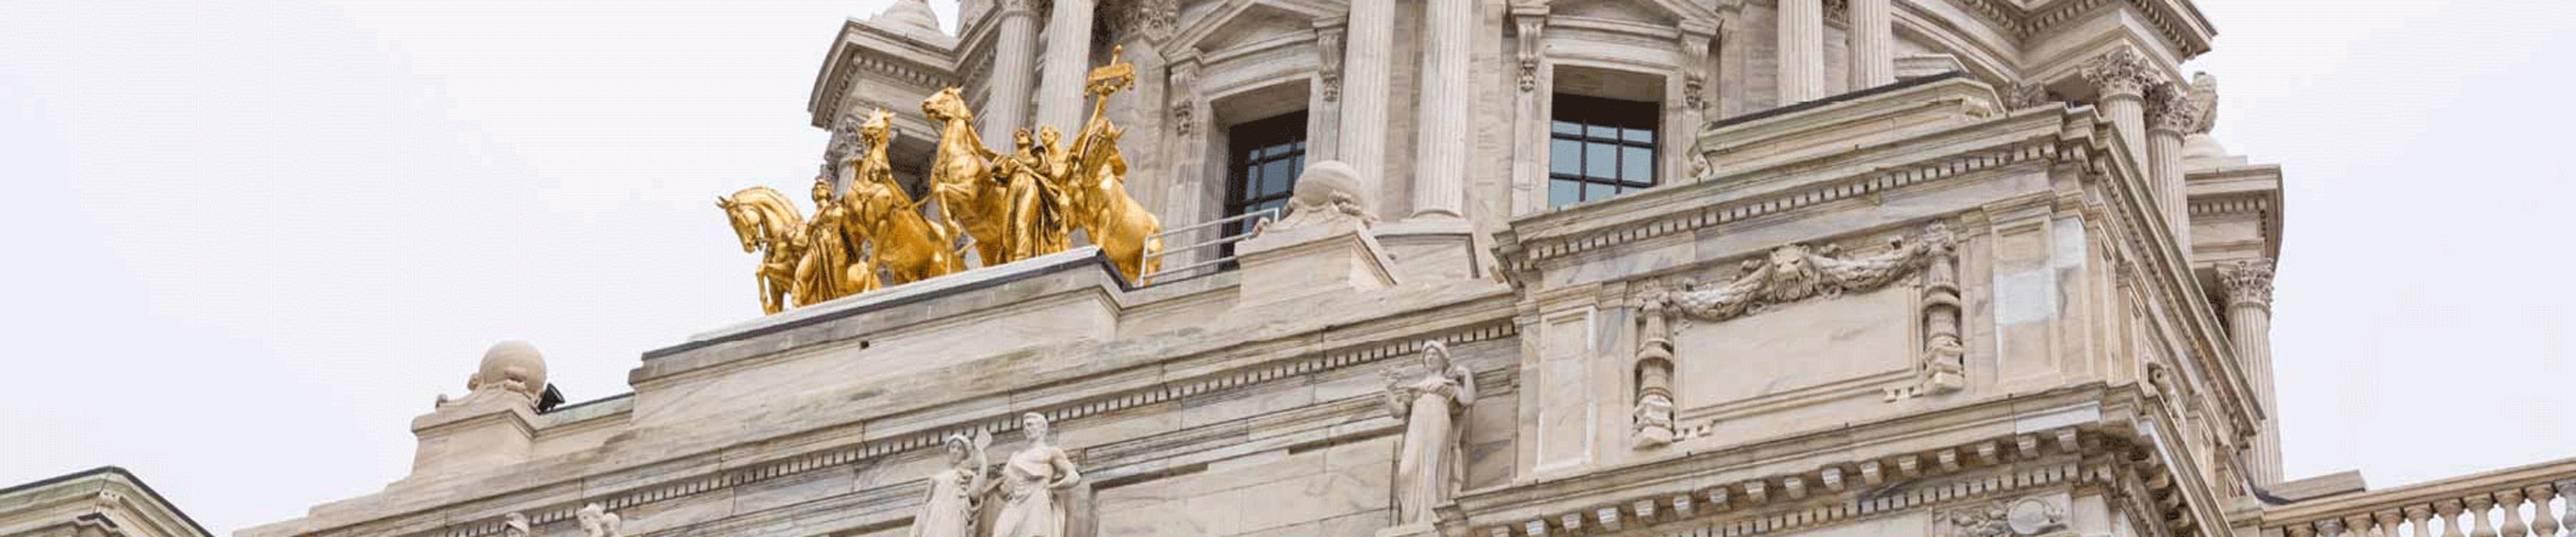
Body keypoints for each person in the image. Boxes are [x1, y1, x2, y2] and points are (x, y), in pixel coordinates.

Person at [1380, 340, 1477, 525]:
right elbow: (1398, 411)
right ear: (1423, 360)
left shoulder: (1449, 384)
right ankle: (1412, 516)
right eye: (1428, 354)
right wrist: (1389, 390)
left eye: (1435, 354)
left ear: (1443, 360)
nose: (1431, 357)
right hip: (1417, 429)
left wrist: (1467, 375)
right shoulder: (1416, 388)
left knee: (1433, 466)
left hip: (1438, 424)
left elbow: (1468, 400)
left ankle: (1432, 513)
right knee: (1407, 471)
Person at [985, 412, 1082, 537]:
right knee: (1001, 532)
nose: (1027, 429)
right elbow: (1006, 491)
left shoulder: (1050, 452)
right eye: (1025, 426)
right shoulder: (1016, 456)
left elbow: (1073, 476)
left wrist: (1052, 487)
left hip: (1037, 498)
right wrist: (997, 488)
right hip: (1015, 502)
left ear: (1042, 428)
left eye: (1030, 425)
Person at [909, 431, 990, 537]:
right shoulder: (936, 479)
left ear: (965, 454)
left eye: (960, 449)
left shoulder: (967, 476)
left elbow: (975, 494)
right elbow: (924, 508)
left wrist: (983, 463)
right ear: (948, 450)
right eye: (953, 447)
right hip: (935, 519)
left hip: (954, 518)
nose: (955, 451)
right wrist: (916, 530)